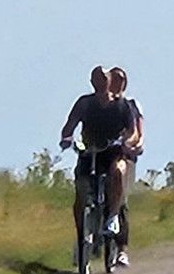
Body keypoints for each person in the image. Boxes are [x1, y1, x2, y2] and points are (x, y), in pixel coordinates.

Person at [57, 66, 136, 255]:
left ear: (109, 82)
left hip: (113, 151)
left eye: (103, 79)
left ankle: (113, 216)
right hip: (89, 151)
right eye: (96, 79)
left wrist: (127, 142)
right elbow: (70, 125)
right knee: (81, 192)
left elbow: (132, 131)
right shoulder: (85, 103)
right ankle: (81, 236)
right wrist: (67, 138)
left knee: (118, 171)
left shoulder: (122, 105)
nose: (100, 83)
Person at [107, 67, 144, 267]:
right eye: (114, 81)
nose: (117, 85)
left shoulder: (129, 105)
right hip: (103, 153)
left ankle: (122, 249)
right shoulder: (103, 104)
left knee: (121, 199)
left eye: (120, 82)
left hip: (124, 154)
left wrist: (134, 143)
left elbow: (138, 130)